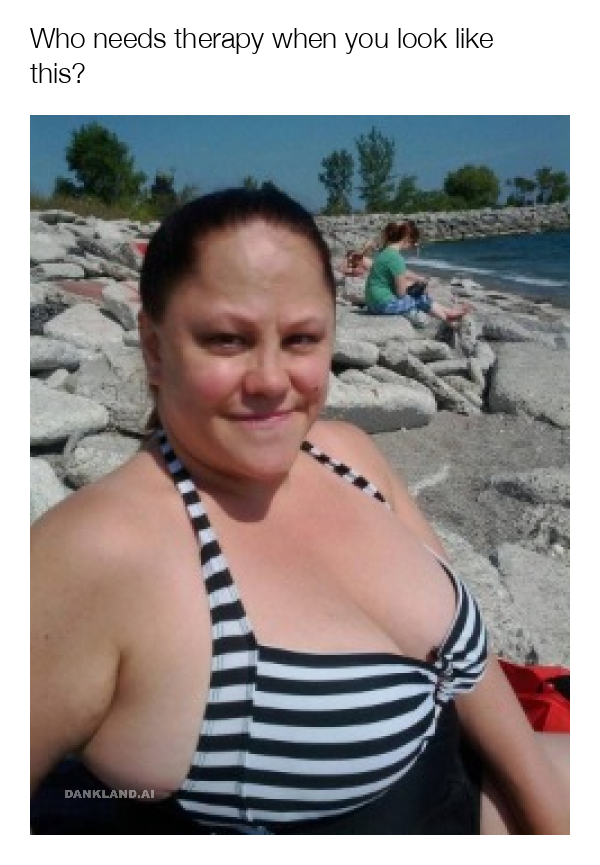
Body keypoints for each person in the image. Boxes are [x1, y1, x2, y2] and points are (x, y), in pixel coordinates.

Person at [30, 188, 569, 834]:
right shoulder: (96, 553)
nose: (269, 379)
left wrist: (549, 821)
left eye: (301, 338)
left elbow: (473, 681)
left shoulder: (350, 457)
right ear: (153, 345)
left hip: (482, 795)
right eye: (226, 339)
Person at [365, 221, 472, 323]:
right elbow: (401, 293)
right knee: (419, 298)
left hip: (372, 302)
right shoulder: (396, 258)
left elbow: (400, 272)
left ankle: (448, 313)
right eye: (413, 243)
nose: (412, 246)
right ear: (406, 238)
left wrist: (417, 280)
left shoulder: (385, 253)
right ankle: (448, 317)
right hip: (383, 305)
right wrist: (414, 290)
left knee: (418, 295)